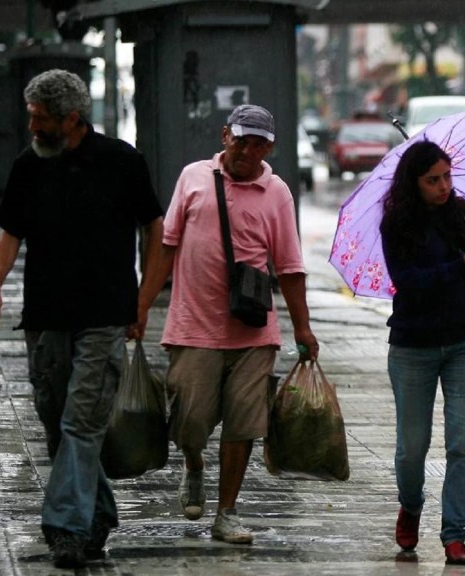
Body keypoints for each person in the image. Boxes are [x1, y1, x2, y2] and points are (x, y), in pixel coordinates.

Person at [0, 69, 164, 568]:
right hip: (45, 317)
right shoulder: (28, 165)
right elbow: (10, 234)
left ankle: (65, 528)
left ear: (72, 118)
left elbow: (156, 229)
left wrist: (144, 301)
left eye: (41, 119)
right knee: (57, 425)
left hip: (105, 316)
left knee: (81, 422)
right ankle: (98, 512)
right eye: (32, 116)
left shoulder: (122, 162)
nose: (32, 126)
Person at [133, 104, 319, 545]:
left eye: (258, 143)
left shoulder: (277, 193)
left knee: (244, 422)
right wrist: (140, 307)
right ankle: (193, 464)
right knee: (190, 420)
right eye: (241, 140)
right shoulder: (193, 178)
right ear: (224, 137)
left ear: (268, 147)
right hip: (192, 326)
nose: (248, 150)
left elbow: (290, 267)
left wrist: (303, 328)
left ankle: (227, 512)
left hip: (254, 330)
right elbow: (167, 244)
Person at [380, 141, 465, 566]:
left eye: (448, 176)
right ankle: (411, 504)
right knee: (412, 448)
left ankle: (454, 535)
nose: (444, 186)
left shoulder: (463, 215)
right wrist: (458, 267)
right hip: (413, 346)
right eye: (433, 180)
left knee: (464, 444)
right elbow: (407, 282)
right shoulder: (397, 223)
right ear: (414, 182)